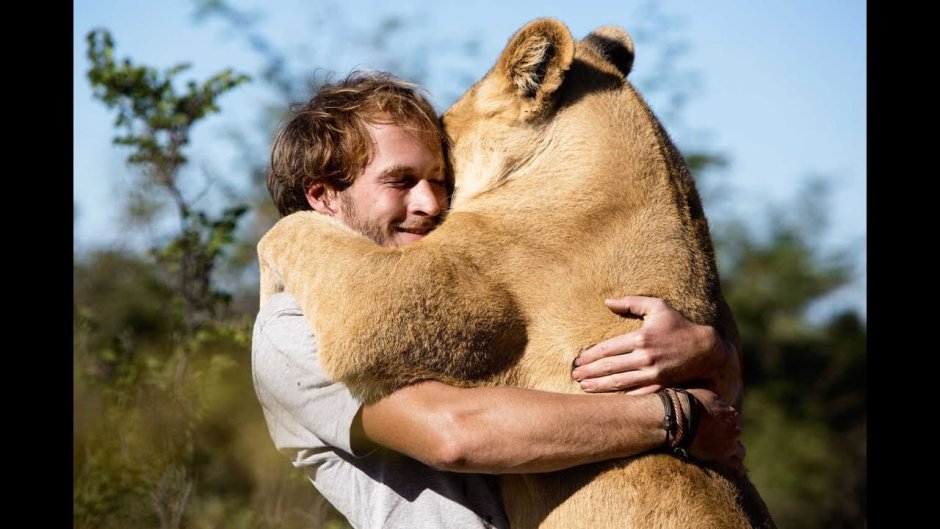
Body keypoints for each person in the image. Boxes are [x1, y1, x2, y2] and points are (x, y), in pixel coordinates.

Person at [253, 70, 744, 529]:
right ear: (322, 196)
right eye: (400, 181)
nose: (432, 204)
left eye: (440, 180)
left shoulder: (452, 282)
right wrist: (676, 417)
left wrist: (711, 354)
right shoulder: (291, 325)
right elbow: (453, 434)